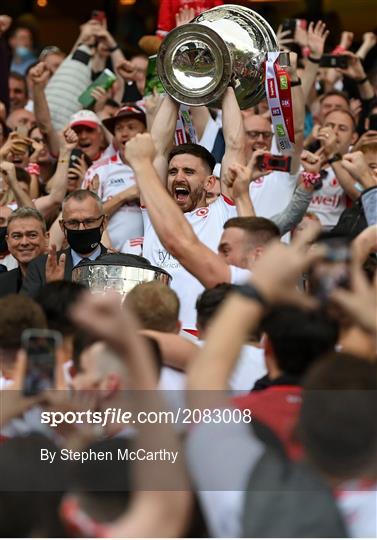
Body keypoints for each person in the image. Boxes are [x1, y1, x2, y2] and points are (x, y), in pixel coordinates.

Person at [21, 190, 108, 298]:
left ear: (104, 223)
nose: (81, 229)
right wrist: (53, 288)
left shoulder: (119, 264)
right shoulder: (41, 267)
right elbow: (28, 312)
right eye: (73, 223)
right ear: (62, 226)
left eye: (89, 221)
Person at [82, 105, 146, 250]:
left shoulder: (158, 169)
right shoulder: (98, 169)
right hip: (107, 257)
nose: (124, 133)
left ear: (145, 132)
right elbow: (83, 218)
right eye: (119, 129)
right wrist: (124, 196)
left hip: (150, 257)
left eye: (131, 127)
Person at [0, 207, 48, 296]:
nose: (24, 242)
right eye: (17, 236)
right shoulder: (2, 282)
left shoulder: (67, 275)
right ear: (8, 241)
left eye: (32, 235)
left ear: (46, 237)